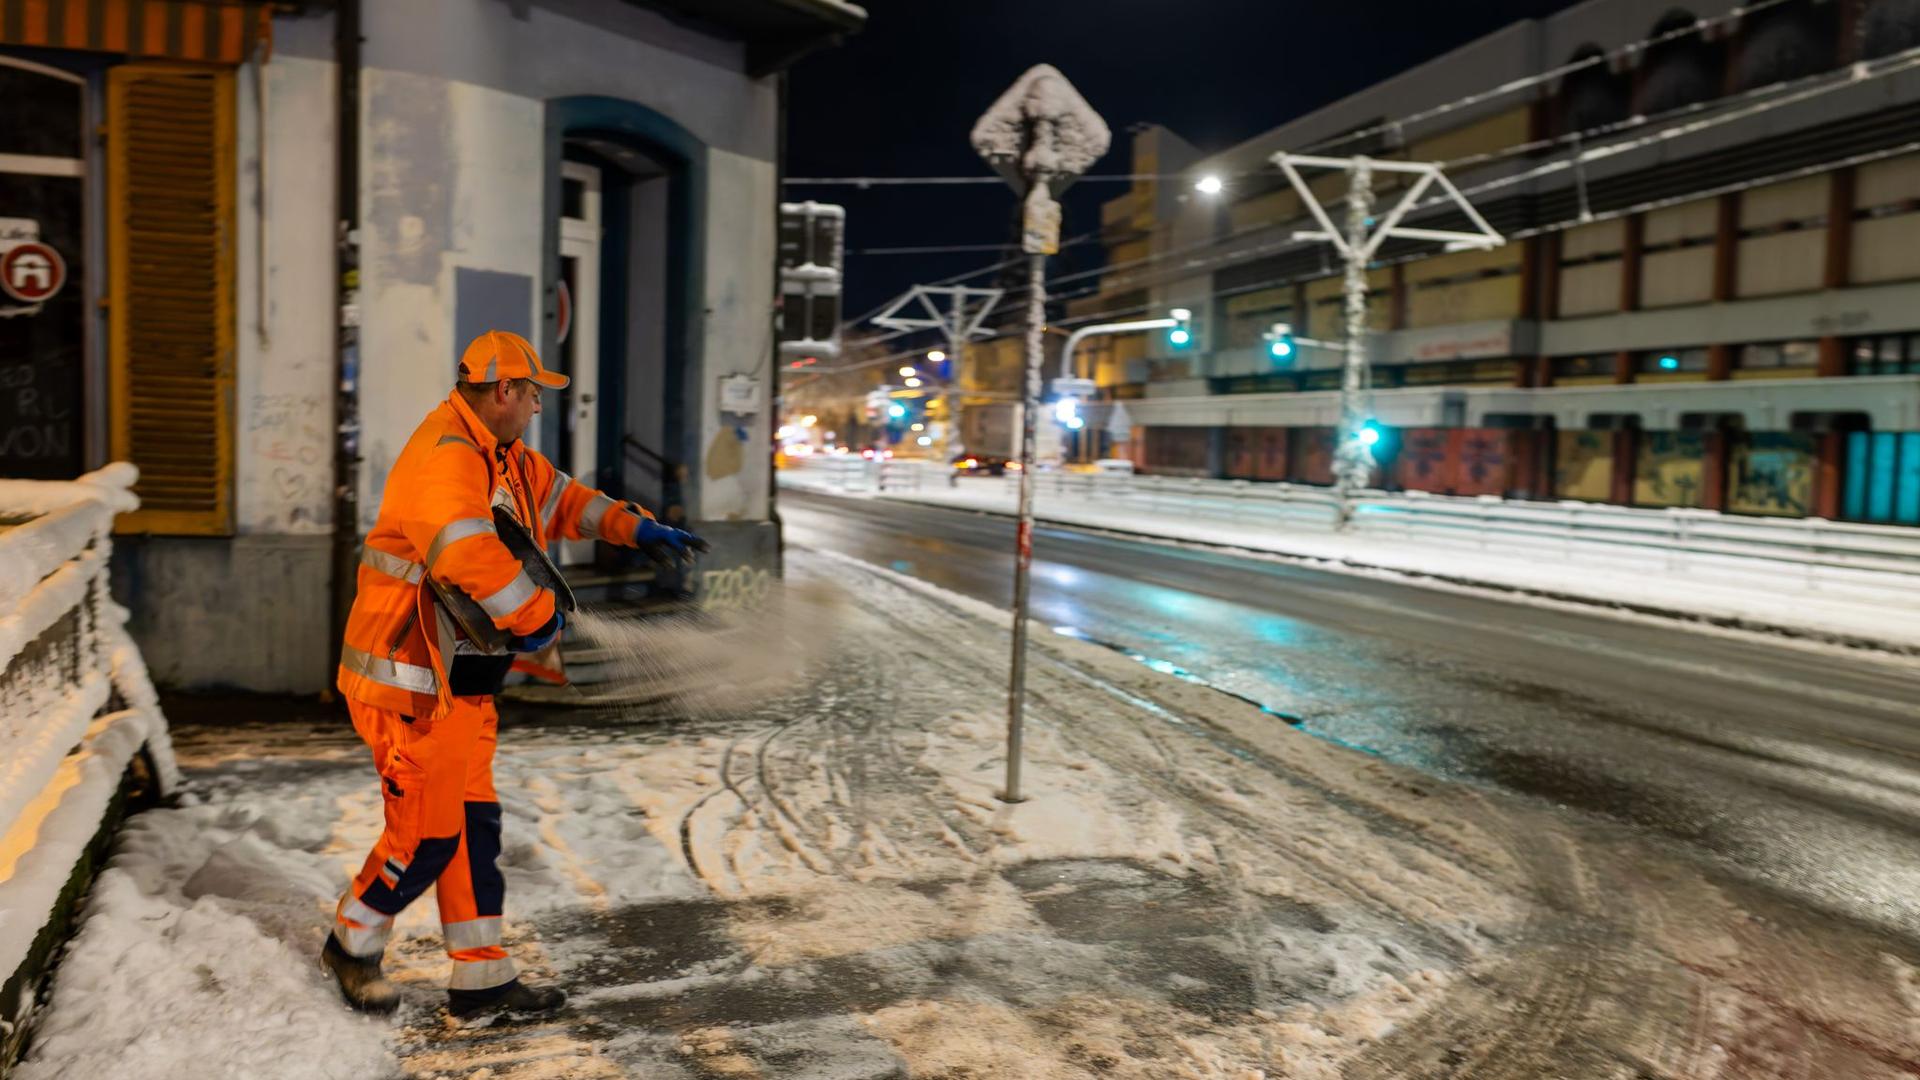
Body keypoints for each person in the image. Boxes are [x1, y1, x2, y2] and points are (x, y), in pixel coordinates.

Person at [322, 330, 706, 1022]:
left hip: (463, 685)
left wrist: (635, 529)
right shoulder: (446, 455)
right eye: (531, 393)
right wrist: (533, 614)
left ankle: (482, 979)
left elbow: (565, 501)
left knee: (472, 829)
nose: (536, 406)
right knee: (426, 838)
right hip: (412, 685)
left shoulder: (503, 456)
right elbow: (466, 550)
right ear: (503, 390)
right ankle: (351, 941)